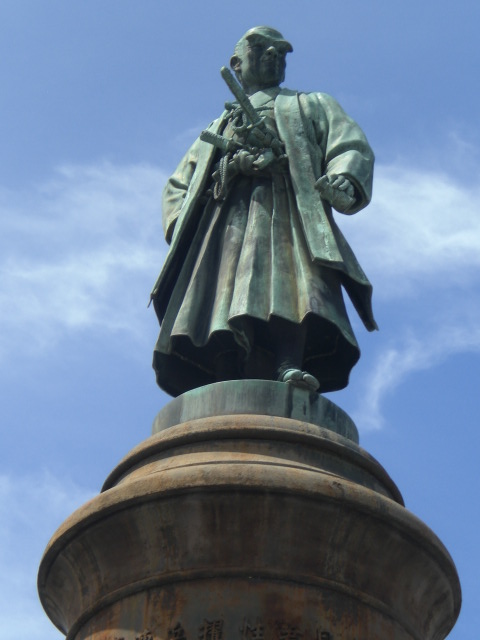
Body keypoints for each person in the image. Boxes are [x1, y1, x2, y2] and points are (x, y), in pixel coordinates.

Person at [151, 26, 377, 397]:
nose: (273, 56)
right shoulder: (217, 126)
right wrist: (187, 221)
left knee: (290, 284)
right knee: (219, 293)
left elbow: (348, 145)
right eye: (260, 48)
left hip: (287, 211)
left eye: (280, 52)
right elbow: (178, 185)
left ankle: (289, 363)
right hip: (223, 221)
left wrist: (344, 179)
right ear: (236, 63)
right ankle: (224, 372)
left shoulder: (310, 104)